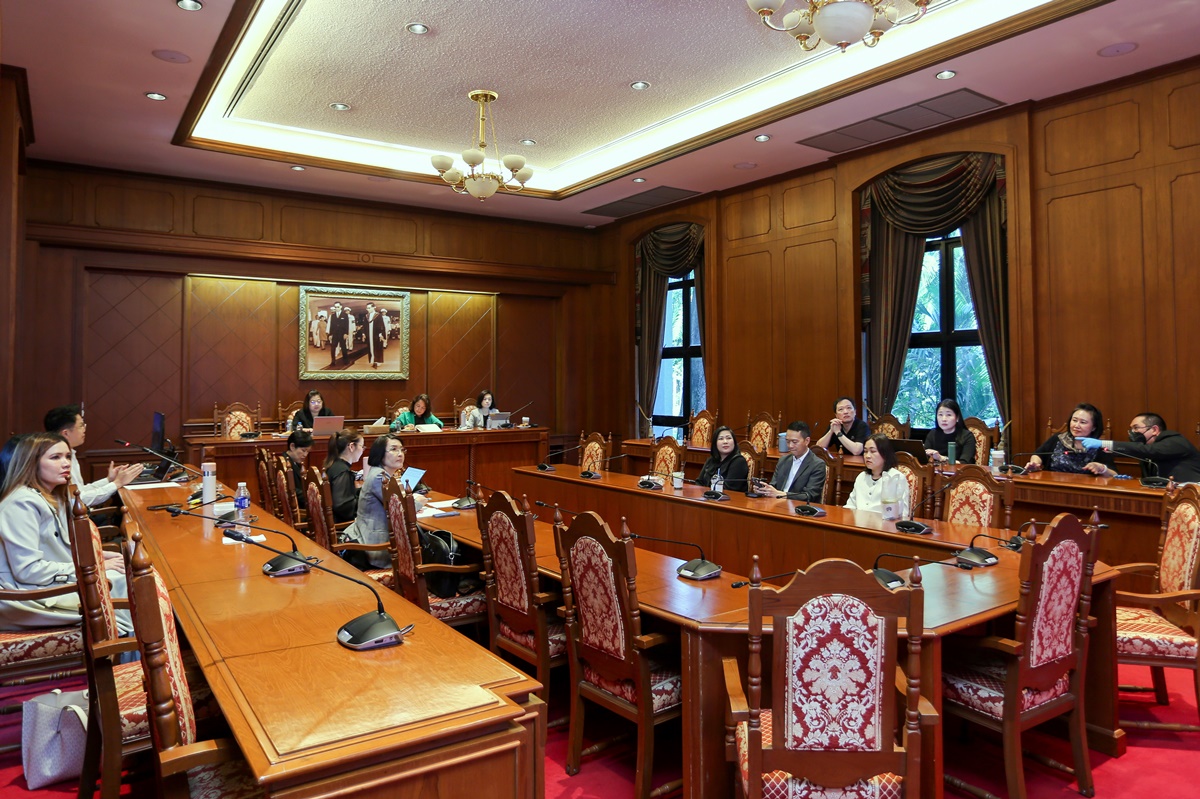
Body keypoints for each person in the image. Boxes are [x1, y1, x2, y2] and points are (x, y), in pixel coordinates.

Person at [0, 433, 131, 632]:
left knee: (125, 573)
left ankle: (135, 643)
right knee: (119, 580)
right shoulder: (21, 503)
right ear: (31, 463)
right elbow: (28, 571)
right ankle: (127, 643)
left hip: (39, 585)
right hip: (24, 598)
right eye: (55, 457)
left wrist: (99, 556)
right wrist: (92, 567)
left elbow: (56, 549)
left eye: (68, 456)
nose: (66, 463)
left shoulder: (50, 495)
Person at [344, 435, 426, 568]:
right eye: (394, 449)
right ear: (380, 454)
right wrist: (418, 502)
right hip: (376, 549)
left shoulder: (380, 473)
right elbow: (402, 509)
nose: (400, 454)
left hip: (369, 537)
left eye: (402, 450)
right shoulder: (379, 477)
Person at [44, 404, 142, 508]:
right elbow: (78, 500)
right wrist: (117, 483)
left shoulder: (70, 453)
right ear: (66, 433)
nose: (84, 429)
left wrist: (109, 480)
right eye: (81, 425)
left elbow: (80, 490)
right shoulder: (59, 463)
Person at [1078, 413, 1200, 483]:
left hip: (1191, 496)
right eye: (1131, 429)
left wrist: (1104, 443)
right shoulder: (1145, 449)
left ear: (1154, 429)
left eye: (1136, 428)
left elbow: (1149, 451)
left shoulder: (1175, 440)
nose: (1132, 433)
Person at [1026, 403, 1116, 475]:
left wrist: (1102, 468)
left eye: (1083, 422)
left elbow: (1114, 474)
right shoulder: (1058, 439)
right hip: (1053, 486)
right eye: (1074, 420)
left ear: (1094, 427)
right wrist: (1035, 464)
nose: (1076, 425)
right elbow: (1038, 455)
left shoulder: (1099, 446)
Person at [845, 434, 910, 516]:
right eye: (865, 451)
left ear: (885, 454)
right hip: (858, 522)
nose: (867, 456)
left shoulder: (896, 478)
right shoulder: (861, 476)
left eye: (873, 451)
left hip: (884, 523)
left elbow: (903, 514)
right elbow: (850, 506)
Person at [760, 421, 826, 502]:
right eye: (787, 441)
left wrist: (782, 495)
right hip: (777, 503)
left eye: (794, 442)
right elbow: (774, 485)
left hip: (800, 507)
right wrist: (764, 489)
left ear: (807, 441)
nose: (790, 446)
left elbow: (809, 495)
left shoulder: (817, 464)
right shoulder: (783, 460)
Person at [323, 428, 364, 523]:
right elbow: (344, 507)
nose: (362, 450)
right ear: (351, 446)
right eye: (362, 446)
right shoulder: (342, 471)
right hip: (341, 525)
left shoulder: (334, 465)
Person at [696, 426, 749, 492]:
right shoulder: (711, 460)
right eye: (721, 439)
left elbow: (728, 489)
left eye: (728, 438)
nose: (725, 442)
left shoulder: (739, 462)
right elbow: (699, 482)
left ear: (734, 442)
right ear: (715, 443)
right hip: (707, 497)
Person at [923, 398, 976, 464]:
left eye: (948, 415)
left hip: (960, 470)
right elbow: (924, 459)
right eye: (940, 415)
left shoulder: (967, 436)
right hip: (935, 470)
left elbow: (964, 463)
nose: (944, 419)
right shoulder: (933, 433)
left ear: (957, 418)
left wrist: (941, 458)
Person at [284, 429, 313, 509]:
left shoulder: (293, 461)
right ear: (292, 446)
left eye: (308, 451)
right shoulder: (285, 464)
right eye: (303, 450)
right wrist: (312, 496)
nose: (305, 455)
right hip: (296, 507)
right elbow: (291, 490)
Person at [365, 302, 387, 368]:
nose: (367, 309)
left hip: (377, 335)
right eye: (367, 308)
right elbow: (365, 325)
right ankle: (372, 360)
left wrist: (381, 334)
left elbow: (381, 325)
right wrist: (364, 333)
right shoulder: (367, 316)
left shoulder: (378, 316)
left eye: (369, 308)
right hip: (369, 334)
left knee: (377, 348)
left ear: (374, 307)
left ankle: (378, 361)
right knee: (370, 347)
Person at [328, 302, 350, 366]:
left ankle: (345, 360)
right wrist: (330, 334)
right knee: (332, 348)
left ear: (341, 307)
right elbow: (331, 326)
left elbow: (347, 325)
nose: (336, 308)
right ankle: (333, 361)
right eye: (335, 307)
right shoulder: (333, 316)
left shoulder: (345, 315)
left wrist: (346, 333)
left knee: (343, 347)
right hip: (335, 334)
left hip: (342, 334)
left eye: (338, 307)